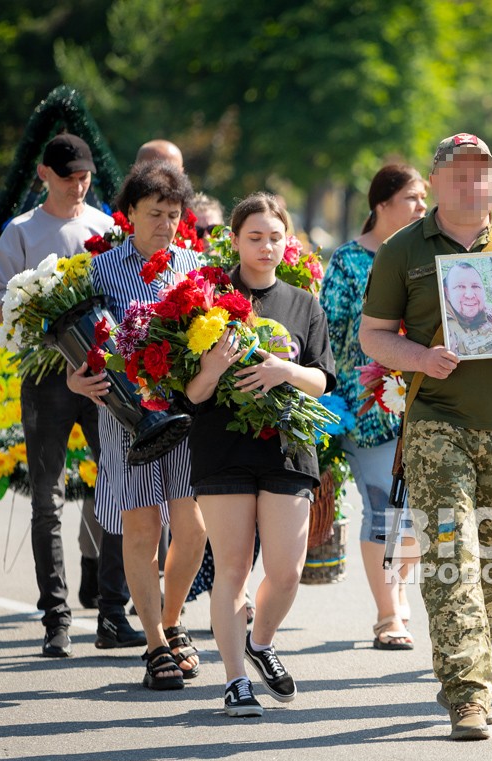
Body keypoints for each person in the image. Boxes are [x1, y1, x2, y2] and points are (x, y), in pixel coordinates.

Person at [360, 132, 492, 740]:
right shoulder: (403, 250)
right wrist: (420, 358)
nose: (471, 184)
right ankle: (469, 694)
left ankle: (467, 659)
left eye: (482, 174)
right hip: (436, 425)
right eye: (458, 174)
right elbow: (374, 335)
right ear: (438, 179)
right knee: (452, 557)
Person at [0, 133, 142, 657]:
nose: (80, 186)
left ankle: (113, 614)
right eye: (70, 177)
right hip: (48, 381)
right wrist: (50, 335)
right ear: (43, 176)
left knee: (119, 493)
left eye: (86, 177)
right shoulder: (22, 231)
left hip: (103, 377)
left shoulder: (105, 228)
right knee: (47, 500)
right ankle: (55, 618)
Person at [186, 193, 337, 717]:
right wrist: (211, 367)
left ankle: (261, 642)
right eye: (255, 237)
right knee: (230, 568)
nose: (266, 246)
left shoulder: (304, 304)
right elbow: (191, 394)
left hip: (287, 449)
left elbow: (321, 379)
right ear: (235, 240)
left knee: (287, 570)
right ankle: (233, 681)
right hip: (221, 446)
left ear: (287, 241)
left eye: (275, 237)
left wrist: (283, 372)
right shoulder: (206, 300)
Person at [68, 159, 208, 690]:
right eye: (155, 214)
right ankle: (153, 643)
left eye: (174, 215)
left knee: (192, 529)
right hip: (125, 420)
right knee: (143, 529)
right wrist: (76, 382)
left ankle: (173, 620)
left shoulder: (194, 267)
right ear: (128, 214)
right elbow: (75, 351)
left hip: (186, 416)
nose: (166, 225)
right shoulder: (101, 272)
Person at [321, 163, 427, 651]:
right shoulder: (347, 260)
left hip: (426, 397)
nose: (421, 207)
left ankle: (397, 593)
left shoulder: (426, 254)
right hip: (365, 401)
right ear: (380, 204)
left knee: (413, 511)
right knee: (383, 504)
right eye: (411, 198)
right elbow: (331, 332)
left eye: (424, 198)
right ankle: (388, 614)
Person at [441, 260, 492, 356]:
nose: (470, 295)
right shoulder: (443, 324)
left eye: (475, 286)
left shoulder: (489, 311)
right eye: (460, 287)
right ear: (447, 292)